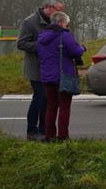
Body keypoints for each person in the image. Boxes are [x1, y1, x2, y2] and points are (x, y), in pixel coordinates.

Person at [16, 0, 65, 141]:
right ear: (50, 7)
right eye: (59, 10)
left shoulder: (54, 22)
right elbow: (21, 44)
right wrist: (42, 46)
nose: (61, 14)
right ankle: (32, 131)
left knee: (48, 100)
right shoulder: (29, 22)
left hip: (50, 68)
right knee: (40, 97)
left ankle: (45, 131)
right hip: (36, 68)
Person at [37, 11, 86, 142]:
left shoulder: (41, 36)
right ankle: (63, 136)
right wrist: (83, 48)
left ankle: (49, 136)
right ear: (62, 22)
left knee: (51, 106)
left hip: (46, 76)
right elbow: (75, 52)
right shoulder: (64, 35)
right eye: (66, 23)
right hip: (63, 76)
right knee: (64, 106)